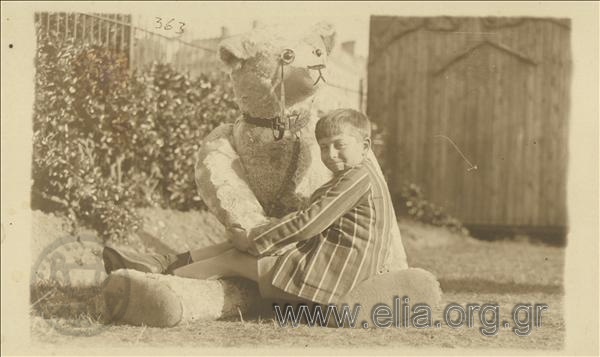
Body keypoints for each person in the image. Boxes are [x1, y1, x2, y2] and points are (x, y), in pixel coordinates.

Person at [103, 108, 399, 305]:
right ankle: (160, 262)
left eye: (338, 145)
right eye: (323, 146)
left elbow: (310, 222)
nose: (330, 154)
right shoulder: (357, 176)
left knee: (232, 257)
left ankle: (151, 285)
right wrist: (261, 235)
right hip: (331, 267)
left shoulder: (358, 178)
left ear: (365, 145)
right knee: (235, 248)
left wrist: (255, 238)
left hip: (333, 279)